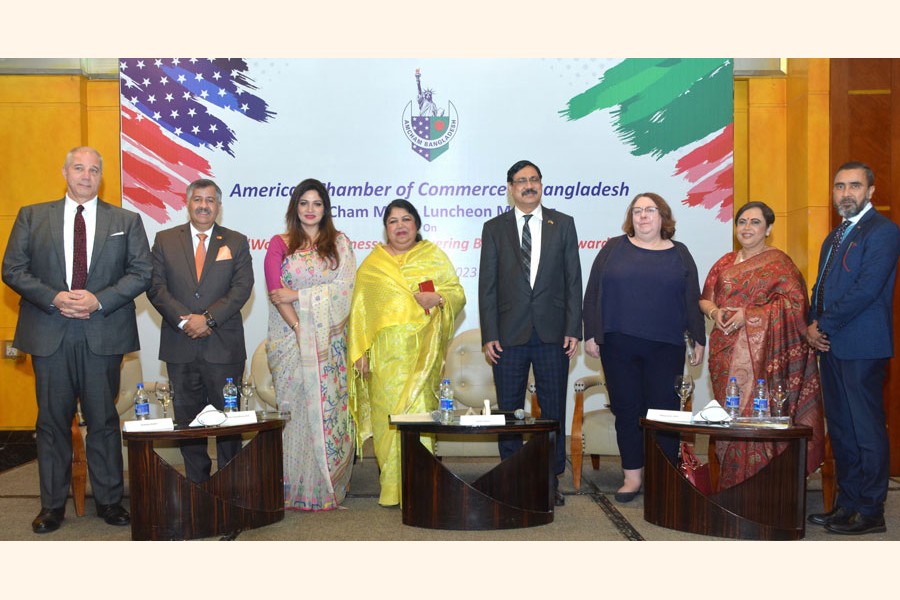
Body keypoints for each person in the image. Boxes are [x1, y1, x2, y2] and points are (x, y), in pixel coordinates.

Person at [2, 146, 152, 533]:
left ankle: (109, 502)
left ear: (100, 176)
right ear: (65, 171)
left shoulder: (127, 220)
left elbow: (141, 272)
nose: (87, 175)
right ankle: (52, 507)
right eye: (79, 168)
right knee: (52, 424)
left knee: (103, 422)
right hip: (50, 332)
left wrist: (97, 299)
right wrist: (54, 297)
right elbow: (12, 269)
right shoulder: (33, 216)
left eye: (94, 170)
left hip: (102, 333)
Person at [582, 192, 705, 503]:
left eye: (650, 210)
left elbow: (692, 298)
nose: (643, 216)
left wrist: (698, 337)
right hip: (618, 344)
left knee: (664, 413)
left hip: (666, 345)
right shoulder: (613, 248)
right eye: (637, 211)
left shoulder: (680, 253)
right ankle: (632, 477)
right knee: (626, 411)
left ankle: (663, 476)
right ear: (631, 218)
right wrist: (591, 334)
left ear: (663, 216)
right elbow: (593, 292)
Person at [699, 201, 825, 490]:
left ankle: (764, 487)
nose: (746, 228)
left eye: (755, 222)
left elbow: (796, 307)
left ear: (768, 228)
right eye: (742, 221)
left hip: (766, 357)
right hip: (724, 352)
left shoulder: (780, 263)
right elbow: (705, 297)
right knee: (729, 418)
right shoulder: (725, 262)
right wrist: (715, 312)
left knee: (758, 415)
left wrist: (750, 316)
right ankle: (730, 487)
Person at [347, 199, 465, 507]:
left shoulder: (433, 256)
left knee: (419, 417)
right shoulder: (373, 264)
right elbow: (360, 311)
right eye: (393, 221)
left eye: (406, 219)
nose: (400, 226)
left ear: (417, 224)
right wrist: (359, 352)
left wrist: (438, 297)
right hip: (384, 357)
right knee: (388, 421)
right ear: (385, 228)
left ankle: (422, 485)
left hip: (421, 355)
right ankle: (393, 488)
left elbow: (457, 293)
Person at [478, 160, 582, 507]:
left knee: (552, 411)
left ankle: (550, 479)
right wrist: (489, 333)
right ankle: (510, 474)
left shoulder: (563, 224)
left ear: (541, 184)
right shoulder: (494, 228)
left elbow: (573, 281)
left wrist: (573, 328)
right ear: (510, 187)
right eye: (521, 181)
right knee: (508, 410)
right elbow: (487, 286)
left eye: (534, 179)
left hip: (554, 334)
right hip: (508, 334)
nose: (528, 185)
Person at [806, 162, 900, 535]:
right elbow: (821, 287)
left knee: (866, 431)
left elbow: (866, 289)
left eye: (855, 186)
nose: (846, 193)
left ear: (871, 191)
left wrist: (822, 323)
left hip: (862, 346)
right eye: (840, 186)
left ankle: (871, 511)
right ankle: (846, 504)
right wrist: (811, 325)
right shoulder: (835, 235)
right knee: (842, 430)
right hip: (829, 345)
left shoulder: (883, 231)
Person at [147, 178, 254, 483]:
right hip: (180, 346)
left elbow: (242, 287)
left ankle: (230, 487)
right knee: (188, 423)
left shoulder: (235, 241)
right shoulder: (165, 239)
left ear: (218, 206)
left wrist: (207, 319)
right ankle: (198, 488)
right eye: (198, 199)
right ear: (188, 203)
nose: (204, 205)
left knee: (228, 426)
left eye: (210, 200)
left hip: (224, 348)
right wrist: (185, 320)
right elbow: (156, 287)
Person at [265, 179, 356, 511]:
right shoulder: (280, 244)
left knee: (325, 411)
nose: (310, 209)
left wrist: (299, 295)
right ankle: (293, 488)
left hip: (328, 346)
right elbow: (277, 294)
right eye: (304, 203)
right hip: (290, 340)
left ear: (325, 208)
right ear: (295, 208)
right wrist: (300, 327)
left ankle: (324, 487)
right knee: (296, 414)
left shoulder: (340, 244)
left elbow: (345, 290)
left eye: (317, 203)